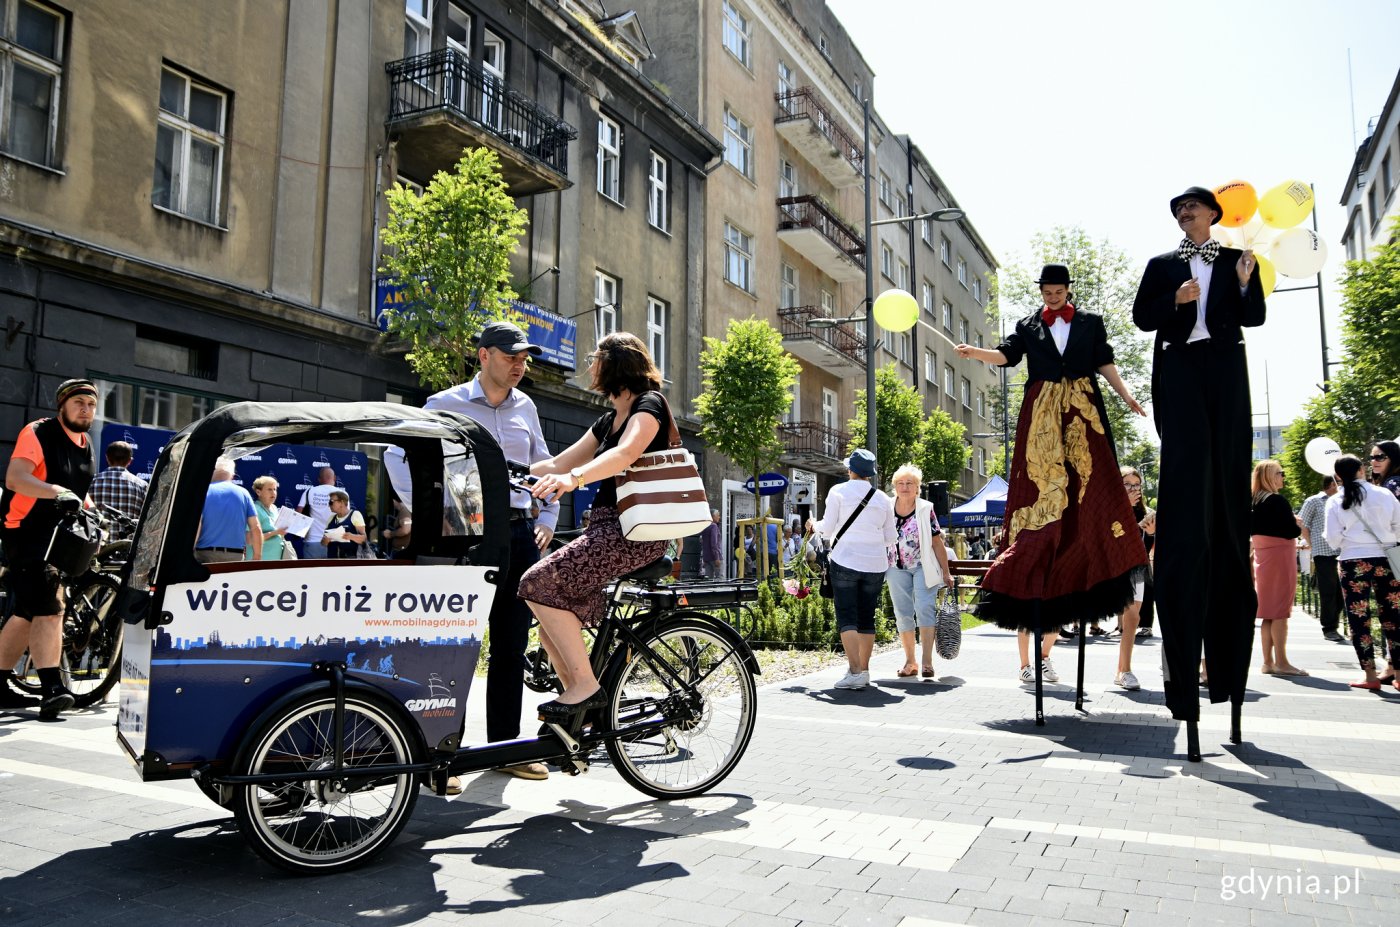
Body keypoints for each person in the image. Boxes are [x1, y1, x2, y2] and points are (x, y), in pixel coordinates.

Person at [955, 264, 1148, 657]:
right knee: (1043, 479)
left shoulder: (1091, 323)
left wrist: (1125, 396)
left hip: (1081, 405)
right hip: (1042, 410)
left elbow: (1105, 361)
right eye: (1047, 292)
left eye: (1057, 292)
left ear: (1067, 291)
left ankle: (1089, 539)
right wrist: (975, 352)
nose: (1052, 297)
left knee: (1091, 478)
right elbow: (1007, 356)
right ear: (1042, 292)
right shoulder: (1028, 325)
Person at [1132, 186, 1266, 732]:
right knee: (1187, 468)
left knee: (1228, 465)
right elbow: (1143, 317)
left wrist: (1242, 281)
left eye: (1193, 208)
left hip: (1225, 366)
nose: (1186, 215)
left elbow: (1253, 318)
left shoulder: (1238, 258)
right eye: (1178, 211)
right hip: (1180, 367)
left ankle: (1228, 680)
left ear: (1214, 214)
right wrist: (1177, 302)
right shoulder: (1162, 264)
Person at [424, 320, 559, 782]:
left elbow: (546, 466)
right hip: (467, 532)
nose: (520, 365)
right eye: (510, 356)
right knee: (457, 643)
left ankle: (506, 750)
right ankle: (445, 755)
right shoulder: (445, 404)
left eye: (524, 358)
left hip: (520, 533)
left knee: (510, 642)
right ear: (484, 356)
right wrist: (434, 514)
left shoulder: (527, 407)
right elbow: (401, 460)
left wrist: (546, 519)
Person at [519, 331, 673, 718]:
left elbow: (627, 453)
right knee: (548, 620)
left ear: (615, 363)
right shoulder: (608, 420)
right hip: (606, 528)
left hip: (635, 532)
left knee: (536, 584)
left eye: (595, 358)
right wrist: (508, 472)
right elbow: (558, 463)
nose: (589, 366)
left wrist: (575, 480)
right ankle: (579, 711)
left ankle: (587, 688)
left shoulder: (649, 405)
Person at [0, 378, 99, 717]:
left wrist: (90, 506)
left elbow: (76, 489)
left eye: (90, 405)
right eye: (78, 403)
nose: (85, 410)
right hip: (24, 531)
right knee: (49, 606)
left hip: (59, 536)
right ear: (62, 406)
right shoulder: (39, 432)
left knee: (27, 612)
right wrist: (57, 491)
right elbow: (16, 478)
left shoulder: (86, 442)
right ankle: (52, 688)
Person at [817, 449, 897, 690]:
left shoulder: (838, 491)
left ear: (850, 470)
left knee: (847, 616)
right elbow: (890, 537)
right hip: (875, 564)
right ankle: (864, 670)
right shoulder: (883, 498)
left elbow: (828, 529)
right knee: (866, 617)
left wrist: (814, 525)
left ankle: (854, 671)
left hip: (846, 561)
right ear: (870, 474)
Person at [1324, 454, 1400, 690]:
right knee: (1394, 617)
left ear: (1338, 476)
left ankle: (1370, 676)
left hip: (1352, 560)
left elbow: (1333, 540)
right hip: (1386, 558)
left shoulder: (1336, 500)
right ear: (1361, 470)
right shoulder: (1384, 494)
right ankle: (1399, 674)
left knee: (1359, 618)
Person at [886, 464, 952, 680]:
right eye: (900, 483)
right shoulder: (886, 507)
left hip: (923, 566)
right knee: (902, 613)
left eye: (909, 483)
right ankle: (909, 661)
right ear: (895, 486)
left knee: (924, 608)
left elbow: (936, 542)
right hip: (895, 567)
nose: (904, 487)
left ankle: (926, 662)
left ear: (917, 487)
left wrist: (946, 572)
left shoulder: (925, 508)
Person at [1250, 460, 1305, 676]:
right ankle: (1282, 662)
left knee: (1268, 613)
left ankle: (1268, 662)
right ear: (1271, 476)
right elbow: (1291, 531)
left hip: (1263, 558)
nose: (1283, 477)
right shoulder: (1277, 501)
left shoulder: (1254, 501)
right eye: (1280, 473)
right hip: (1280, 556)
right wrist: (1296, 523)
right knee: (1281, 611)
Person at [1111, 466, 1156, 689]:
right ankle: (1125, 671)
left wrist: (1150, 534)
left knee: (1133, 619)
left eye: (1136, 485)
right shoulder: (1112, 509)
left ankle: (1122, 670)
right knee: (1130, 616)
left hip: (1137, 569)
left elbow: (1144, 549)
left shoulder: (1145, 512)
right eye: (1128, 484)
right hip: (1115, 568)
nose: (1133, 489)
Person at [1297, 475, 1346, 643]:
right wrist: (1312, 544)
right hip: (1324, 552)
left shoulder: (1344, 499)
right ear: (1332, 483)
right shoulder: (1314, 501)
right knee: (1328, 590)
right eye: (1339, 482)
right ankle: (1329, 628)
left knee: (1341, 591)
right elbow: (1302, 523)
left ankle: (1335, 624)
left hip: (1345, 551)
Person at [195, 458, 260, 564]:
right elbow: (255, 527)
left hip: (205, 555)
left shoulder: (203, 492)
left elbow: (197, 525)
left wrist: (189, 552)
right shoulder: (244, 493)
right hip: (235, 556)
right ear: (232, 475)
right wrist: (257, 557)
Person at [88, 440, 147, 538]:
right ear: (130, 461)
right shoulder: (142, 486)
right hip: (126, 549)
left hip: (96, 548)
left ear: (107, 458)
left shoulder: (91, 482)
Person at [297, 467, 338, 558]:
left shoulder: (309, 491)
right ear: (334, 478)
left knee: (312, 572)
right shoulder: (343, 494)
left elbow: (298, 515)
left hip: (312, 542)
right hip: (334, 542)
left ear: (319, 479)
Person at [248, 476, 288, 562]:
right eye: (269, 489)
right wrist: (276, 532)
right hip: (259, 563)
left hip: (275, 562)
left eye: (275, 489)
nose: (273, 492)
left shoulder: (274, 508)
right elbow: (250, 540)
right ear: (258, 492)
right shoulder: (254, 509)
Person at [323, 490, 368, 558]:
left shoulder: (355, 515)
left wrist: (352, 536)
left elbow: (364, 539)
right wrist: (325, 541)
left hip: (350, 562)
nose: (329, 505)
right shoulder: (331, 518)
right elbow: (323, 543)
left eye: (331, 502)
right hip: (332, 561)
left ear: (341, 502)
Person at [380, 494, 412, 559]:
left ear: (394, 501)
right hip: (398, 550)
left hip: (400, 552)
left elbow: (406, 530)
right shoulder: (403, 511)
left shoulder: (404, 511)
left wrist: (390, 534)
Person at [699, 508, 723, 579]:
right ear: (713, 516)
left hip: (707, 558)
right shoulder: (714, 526)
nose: (719, 517)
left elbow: (703, 543)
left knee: (709, 580)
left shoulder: (705, 527)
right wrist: (717, 557)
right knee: (720, 579)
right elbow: (714, 543)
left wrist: (704, 558)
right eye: (718, 515)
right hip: (715, 558)